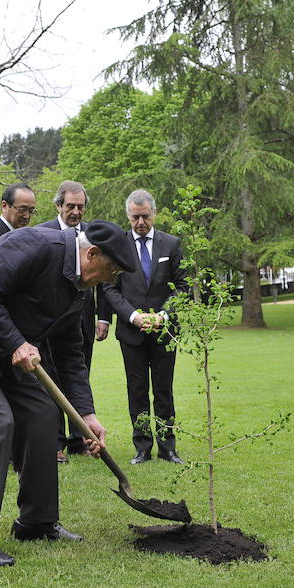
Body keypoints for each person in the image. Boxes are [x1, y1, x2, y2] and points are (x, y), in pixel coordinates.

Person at [0, 220, 136, 566]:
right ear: (92, 254)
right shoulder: (35, 245)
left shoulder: (78, 288)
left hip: (1, 347)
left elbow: (69, 353)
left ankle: (36, 522)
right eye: (110, 273)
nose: (109, 281)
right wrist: (15, 342)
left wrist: (86, 414)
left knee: (43, 414)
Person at [103, 189, 188, 465]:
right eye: (135, 217)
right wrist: (133, 316)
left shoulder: (172, 244)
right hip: (131, 333)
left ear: (154, 214)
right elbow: (110, 288)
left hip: (165, 331)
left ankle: (168, 447)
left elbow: (183, 287)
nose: (140, 222)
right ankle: (142, 447)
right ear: (128, 215)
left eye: (145, 216)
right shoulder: (119, 246)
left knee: (164, 390)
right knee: (137, 391)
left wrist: (164, 315)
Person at [36, 180, 110, 462]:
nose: (76, 212)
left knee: (78, 374)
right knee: (51, 377)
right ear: (58, 206)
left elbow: (104, 281)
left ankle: (79, 436)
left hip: (83, 322)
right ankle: (55, 443)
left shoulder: (93, 236)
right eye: (70, 206)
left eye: (81, 207)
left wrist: (103, 317)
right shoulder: (43, 233)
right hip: (51, 324)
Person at [0, 183, 36, 253]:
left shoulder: (27, 236)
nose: (27, 216)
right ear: (4, 206)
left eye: (31, 211)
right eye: (22, 209)